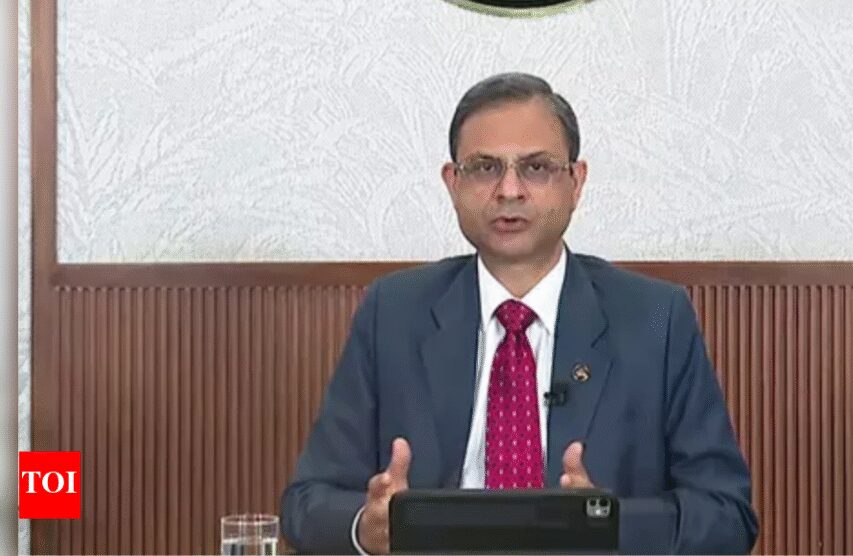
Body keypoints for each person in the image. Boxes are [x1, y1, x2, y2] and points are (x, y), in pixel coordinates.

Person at [280, 72, 758, 554]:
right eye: (485, 168)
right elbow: (307, 503)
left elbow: (727, 515)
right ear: (453, 183)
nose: (509, 190)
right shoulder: (394, 312)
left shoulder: (656, 318)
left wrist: (604, 526)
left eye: (536, 167)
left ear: (576, 182)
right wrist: (368, 527)